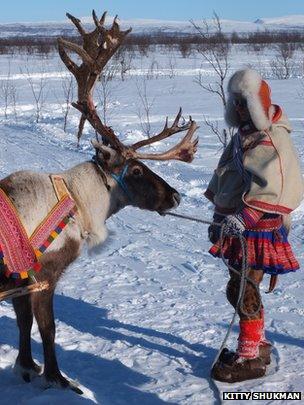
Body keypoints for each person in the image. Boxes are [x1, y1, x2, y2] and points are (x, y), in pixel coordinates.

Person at [205, 68, 303, 383]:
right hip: (240, 228)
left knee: (242, 287)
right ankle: (256, 345)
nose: (236, 107)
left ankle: (250, 356)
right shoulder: (242, 137)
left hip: (260, 229)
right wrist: (220, 218)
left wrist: (242, 218)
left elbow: (279, 185)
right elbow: (227, 177)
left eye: (242, 101)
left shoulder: (273, 138)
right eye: (234, 101)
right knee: (240, 287)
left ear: (254, 104)